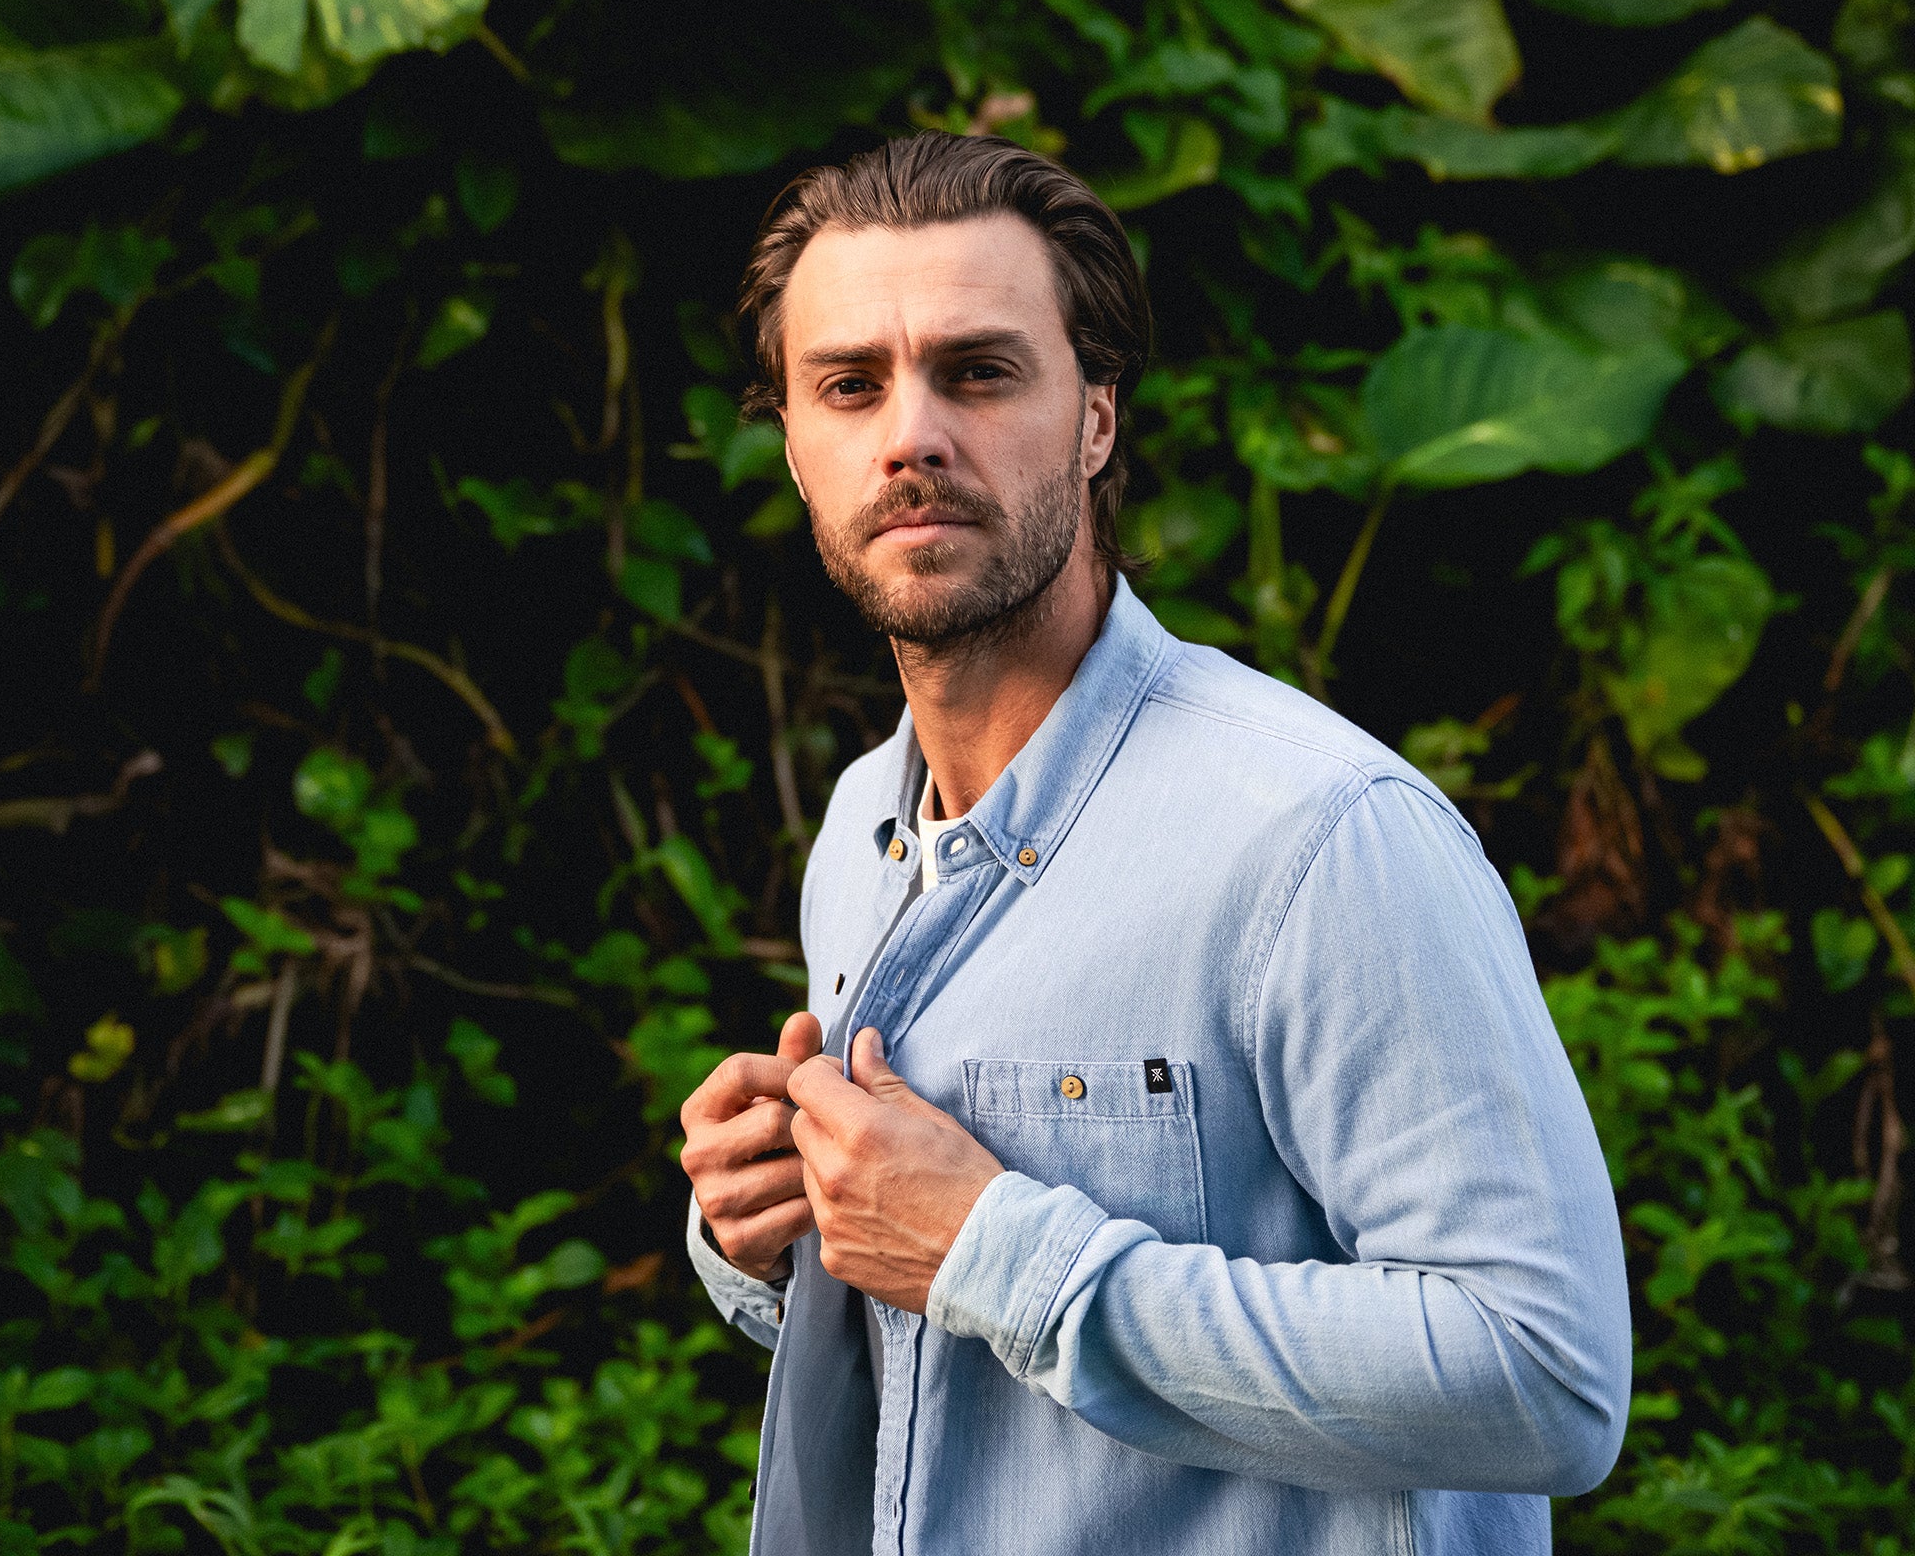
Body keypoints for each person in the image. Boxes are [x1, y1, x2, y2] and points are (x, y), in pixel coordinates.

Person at [678, 132, 1630, 1556]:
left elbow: (1544, 1375)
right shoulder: (862, 835)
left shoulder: (1318, 839)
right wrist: (778, 1236)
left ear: (1097, 419)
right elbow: (943, 1333)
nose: (913, 435)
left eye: (981, 371)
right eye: (850, 385)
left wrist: (997, 1251)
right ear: (797, 438)